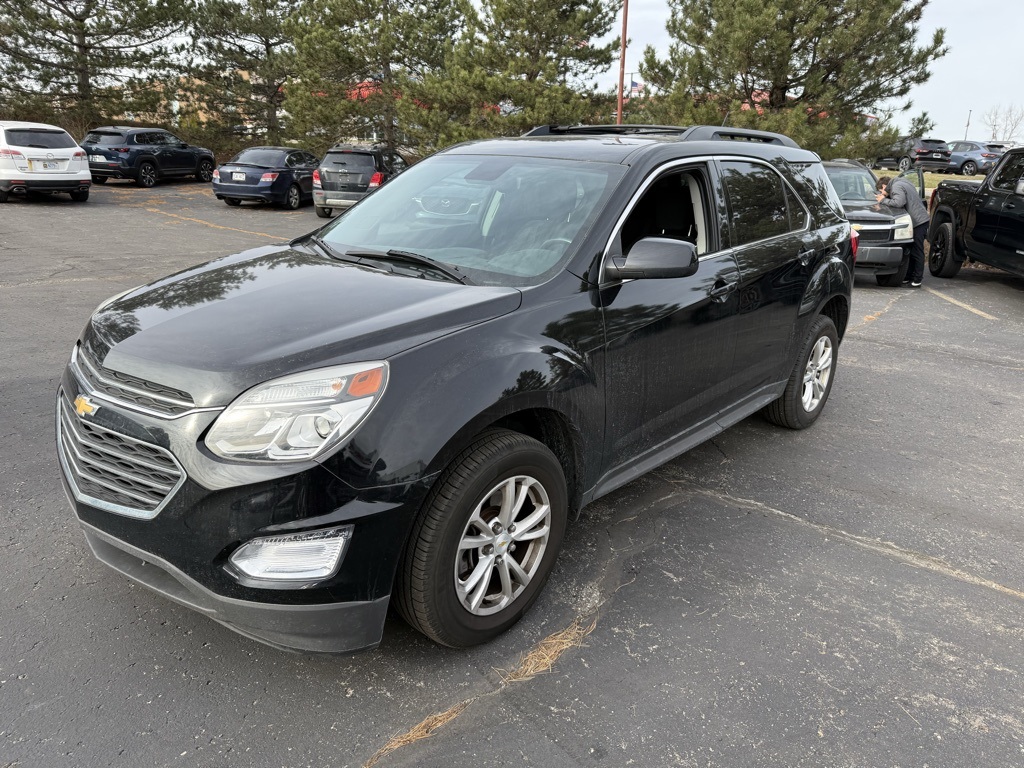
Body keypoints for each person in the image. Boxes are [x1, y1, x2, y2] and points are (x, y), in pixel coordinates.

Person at [875, 175, 930, 287]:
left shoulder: (896, 186)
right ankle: (909, 277)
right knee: (911, 249)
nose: (882, 194)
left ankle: (917, 279)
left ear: (885, 186)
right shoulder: (904, 182)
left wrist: (883, 200)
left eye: (881, 191)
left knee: (917, 250)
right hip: (921, 219)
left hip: (918, 222)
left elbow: (899, 202)